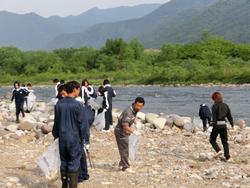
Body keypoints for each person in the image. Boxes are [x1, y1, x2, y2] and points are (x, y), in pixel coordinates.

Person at [52, 81, 89, 188]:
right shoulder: (78, 105)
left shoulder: (59, 104)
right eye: (79, 89)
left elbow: (56, 122)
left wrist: (55, 135)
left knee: (64, 162)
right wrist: (86, 140)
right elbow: (83, 125)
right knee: (73, 163)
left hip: (62, 138)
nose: (79, 91)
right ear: (75, 90)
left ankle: (64, 185)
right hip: (74, 139)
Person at [114, 97, 145, 172]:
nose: (139, 108)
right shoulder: (128, 112)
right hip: (120, 132)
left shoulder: (135, 110)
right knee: (124, 149)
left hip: (125, 131)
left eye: (141, 106)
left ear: (143, 106)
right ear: (134, 103)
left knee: (125, 148)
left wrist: (136, 122)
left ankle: (121, 164)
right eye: (137, 105)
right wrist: (134, 132)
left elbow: (133, 117)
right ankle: (126, 166)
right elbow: (125, 126)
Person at [210, 92, 234, 162]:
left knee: (212, 139)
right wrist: (232, 124)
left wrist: (212, 124)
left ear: (215, 99)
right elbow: (229, 116)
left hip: (217, 125)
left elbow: (214, 117)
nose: (213, 101)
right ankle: (227, 157)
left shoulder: (214, 106)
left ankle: (218, 150)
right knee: (225, 141)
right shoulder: (226, 106)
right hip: (223, 125)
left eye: (213, 99)